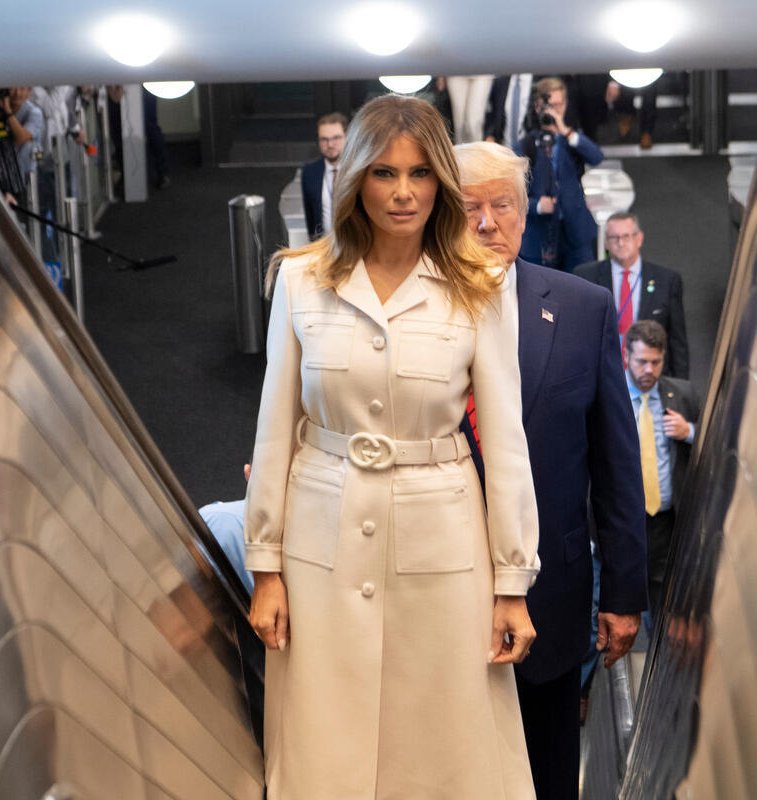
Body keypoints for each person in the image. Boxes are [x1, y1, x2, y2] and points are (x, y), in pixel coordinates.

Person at [244, 95, 540, 798]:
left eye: (419, 173)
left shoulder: (482, 287)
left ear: (440, 181)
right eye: (383, 173)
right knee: (324, 749)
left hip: (443, 548)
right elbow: (274, 427)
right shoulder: (301, 280)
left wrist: (512, 583)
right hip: (320, 547)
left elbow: (506, 443)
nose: (403, 192)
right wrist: (265, 567)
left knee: (445, 751)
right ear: (354, 179)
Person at [455, 141, 648, 800]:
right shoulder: (411, 316)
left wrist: (623, 592)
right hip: (439, 597)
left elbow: (616, 462)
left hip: (552, 599)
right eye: (469, 208)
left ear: (525, 213)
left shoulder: (582, 308)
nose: (487, 223)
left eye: (502, 205)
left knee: (548, 777)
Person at [623, 320, 700, 615]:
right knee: (612, 611)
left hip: (667, 523)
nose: (649, 370)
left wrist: (689, 431)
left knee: (666, 609)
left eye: (656, 362)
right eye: (642, 361)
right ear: (626, 355)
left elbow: (717, 437)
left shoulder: (683, 394)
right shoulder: (609, 394)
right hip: (623, 523)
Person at [575, 211, 690, 379]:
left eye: (626, 236)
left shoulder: (667, 280)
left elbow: (677, 341)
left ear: (639, 238)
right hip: (603, 376)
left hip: (651, 377)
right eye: (614, 238)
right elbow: (577, 334)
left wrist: (680, 388)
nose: (620, 243)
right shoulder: (585, 277)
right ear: (606, 242)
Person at [514, 77, 603, 271]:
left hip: (575, 233)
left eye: (558, 105)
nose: (553, 111)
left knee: (582, 284)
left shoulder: (571, 139)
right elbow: (511, 194)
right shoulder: (525, 146)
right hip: (538, 237)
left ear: (566, 104)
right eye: (549, 106)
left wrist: (566, 131)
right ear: (537, 107)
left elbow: (596, 157)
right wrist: (537, 205)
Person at [300, 112, 347, 238]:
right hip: (324, 244)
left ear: (346, 137)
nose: (330, 145)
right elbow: (310, 216)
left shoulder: (360, 170)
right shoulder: (309, 172)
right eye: (324, 139)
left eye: (336, 138)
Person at [0, 86, 44, 183]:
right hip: (4, 170)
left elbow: (21, 138)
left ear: (29, 91)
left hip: (29, 172)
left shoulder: (34, 112)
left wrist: (8, 111)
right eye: (13, 88)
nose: (17, 93)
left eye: (22, 89)